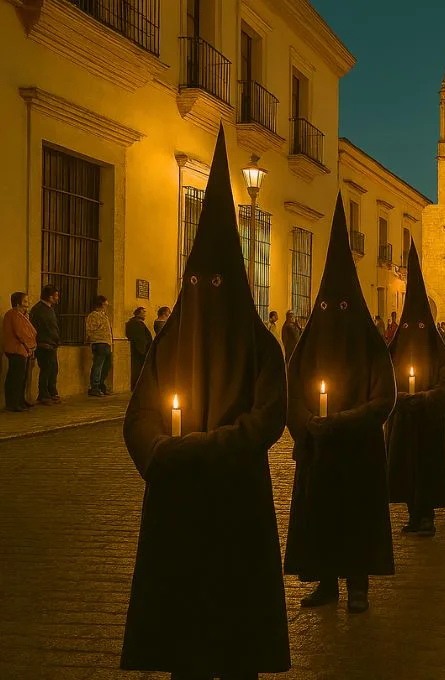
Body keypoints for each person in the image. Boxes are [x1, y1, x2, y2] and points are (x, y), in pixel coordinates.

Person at [120, 127, 290, 678]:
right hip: (179, 500)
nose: (206, 290)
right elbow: (140, 414)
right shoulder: (170, 340)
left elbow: (269, 417)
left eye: (218, 281)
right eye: (198, 281)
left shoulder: (261, 344)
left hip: (237, 496)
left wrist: (209, 447)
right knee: (184, 634)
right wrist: (163, 455)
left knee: (236, 630)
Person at [284, 194, 397, 613]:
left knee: (357, 518)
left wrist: (343, 423)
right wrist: (308, 425)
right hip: (318, 452)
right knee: (324, 518)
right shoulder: (309, 344)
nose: (333, 313)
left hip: (358, 453)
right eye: (327, 307)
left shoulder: (371, 347)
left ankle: (359, 585)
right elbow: (292, 389)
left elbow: (383, 399)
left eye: (343, 307)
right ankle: (326, 581)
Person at [386, 247, 445, 537]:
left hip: (427, 422)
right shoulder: (396, 350)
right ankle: (413, 514)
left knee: (425, 468)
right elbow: (383, 380)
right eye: (409, 326)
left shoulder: (438, 350)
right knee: (406, 469)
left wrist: (425, 398)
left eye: (419, 326)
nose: (414, 331)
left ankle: (426, 515)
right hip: (404, 420)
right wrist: (400, 399)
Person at [3, 292, 37, 412]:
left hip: (23, 350)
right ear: (18, 303)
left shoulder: (22, 315)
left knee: (22, 377)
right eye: (25, 302)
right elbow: (20, 332)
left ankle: (20, 400)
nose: (27, 304)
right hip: (17, 349)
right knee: (16, 377)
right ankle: (13, 403)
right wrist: (29, 344)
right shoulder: (13, 314)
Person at [30, 284, 60, 405]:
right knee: (46, 370)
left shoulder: (49, 309)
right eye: (56, 296)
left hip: (51, 344)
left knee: (53, 370)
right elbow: (46, 328)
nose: (57, 298)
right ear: (49, 296)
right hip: (44, 344)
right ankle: (43, 394)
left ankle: (51, 392)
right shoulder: (39, 309)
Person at [85, 295, 113, 397]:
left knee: (107, 365)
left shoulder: (104, 315)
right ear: (100, 304)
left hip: (107, 343)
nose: (106, 306)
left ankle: (101, 384)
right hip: (99, 343)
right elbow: (90, 330)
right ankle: (95, 387)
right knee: (98, 365)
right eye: (105, 304)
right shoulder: (93, 316)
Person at [124, 307, 153, 391]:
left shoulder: (134, 323)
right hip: (140, 351)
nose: (145, 314)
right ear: (138, 313)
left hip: (140, 350)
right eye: (143, 312)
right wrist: (143, 350)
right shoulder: (136, 323)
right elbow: (140, 339)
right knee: (138, 369)